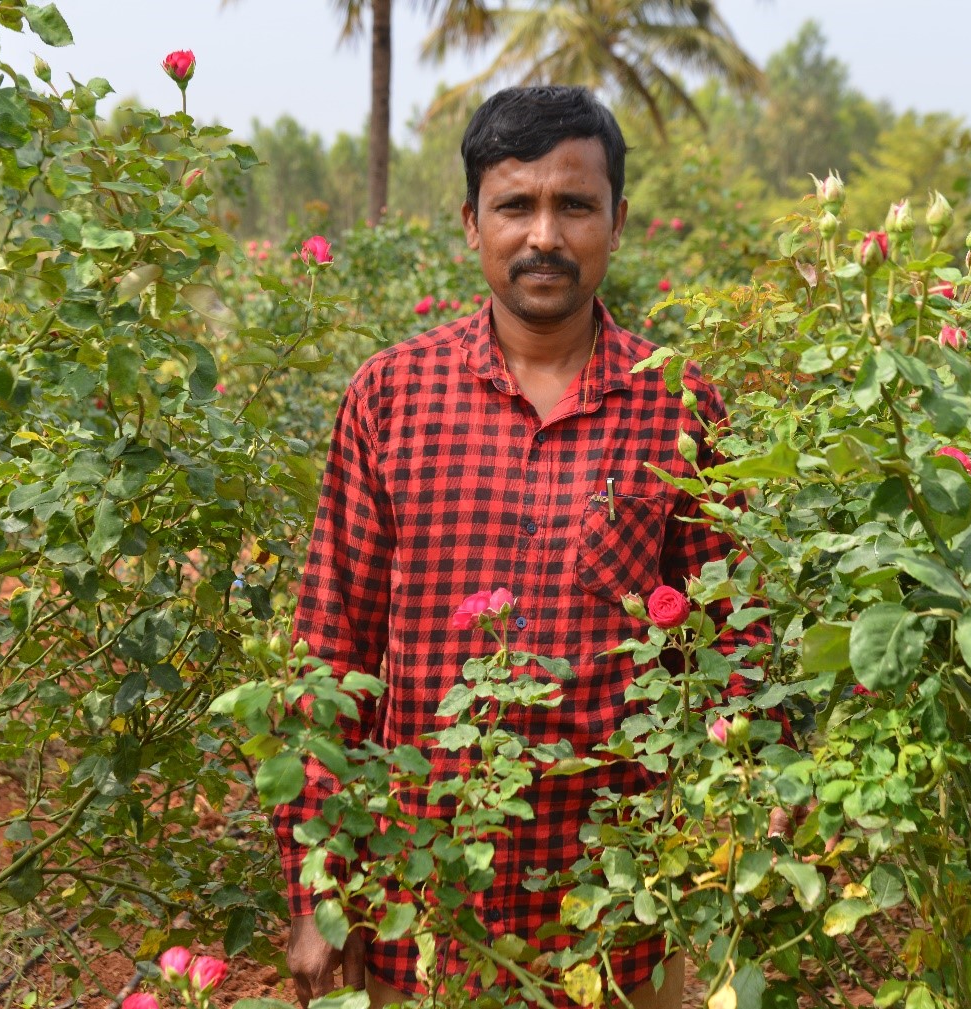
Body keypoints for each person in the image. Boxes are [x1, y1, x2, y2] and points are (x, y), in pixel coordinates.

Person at [277, 85, 766, 1008]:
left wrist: (728, 858)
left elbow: (733, 645)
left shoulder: (679, 407)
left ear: (617, 222)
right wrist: (317, 890)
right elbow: (330, 655)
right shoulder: (391, 398)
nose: (545, 234)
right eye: (516, 205)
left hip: (623, 912)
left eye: (574, 205)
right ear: (472, 224)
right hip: (421, 906)